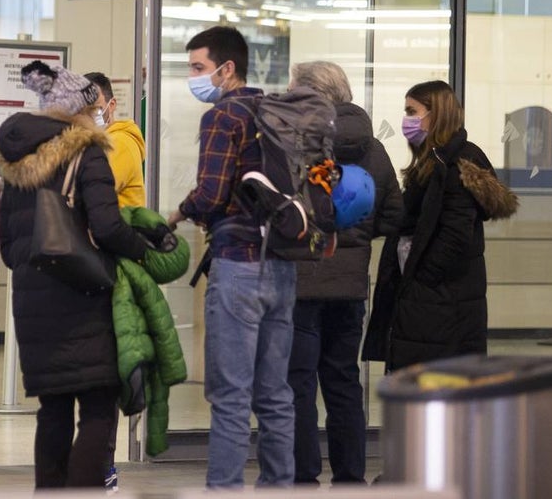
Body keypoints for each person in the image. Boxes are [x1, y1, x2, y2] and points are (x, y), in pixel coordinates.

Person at [0, 61, 152, 489]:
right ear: (80, 110)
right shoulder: (89, 154)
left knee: (54, 408)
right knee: (99, 408)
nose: (100, 112)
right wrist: (145, 251)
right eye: (96, 106)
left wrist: (33, 271)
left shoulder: (18, 163)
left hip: (33, 301)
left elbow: (7, 242)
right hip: (83, 296)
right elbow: (107, 227)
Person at [165, 25, 295, 488]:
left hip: (238, 266)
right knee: (276, 393)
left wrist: (176, 215)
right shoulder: (277, 110)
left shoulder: (224, 116)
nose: (195, 78)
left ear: (227, 69)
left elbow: (211, 193)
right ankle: (280, 487)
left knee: (231, 395)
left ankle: (224, 491)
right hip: (281, 262)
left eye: (199, 68)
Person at [285, 61, 402, 486]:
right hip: (351, 287)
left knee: (298, 384)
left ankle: (302, 477)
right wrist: (357, 232)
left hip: (299, 285)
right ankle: (351, 478)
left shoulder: (296, 143)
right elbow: (394, 214)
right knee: (343, 382)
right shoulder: (374, 149)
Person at [362, 80, 516, 373]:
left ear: (437, 114)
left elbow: (455, 234)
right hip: (433, 303)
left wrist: (422, 279)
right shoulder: (432, 161)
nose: (406, 120)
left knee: (435, 393)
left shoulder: (457, 164)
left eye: (412, 111)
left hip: (439, 303)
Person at [82, 71, 146, 490]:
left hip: (111, 266)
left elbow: (91, 192)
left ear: (110, 105)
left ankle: (100, 463)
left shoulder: (120, 141)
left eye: (93, 105)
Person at [83, 72, 146, 208]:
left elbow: (96, 191)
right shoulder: (94, 142)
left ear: (111, 105)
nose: (88, 114)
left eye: (95, 108)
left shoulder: (120, 142)